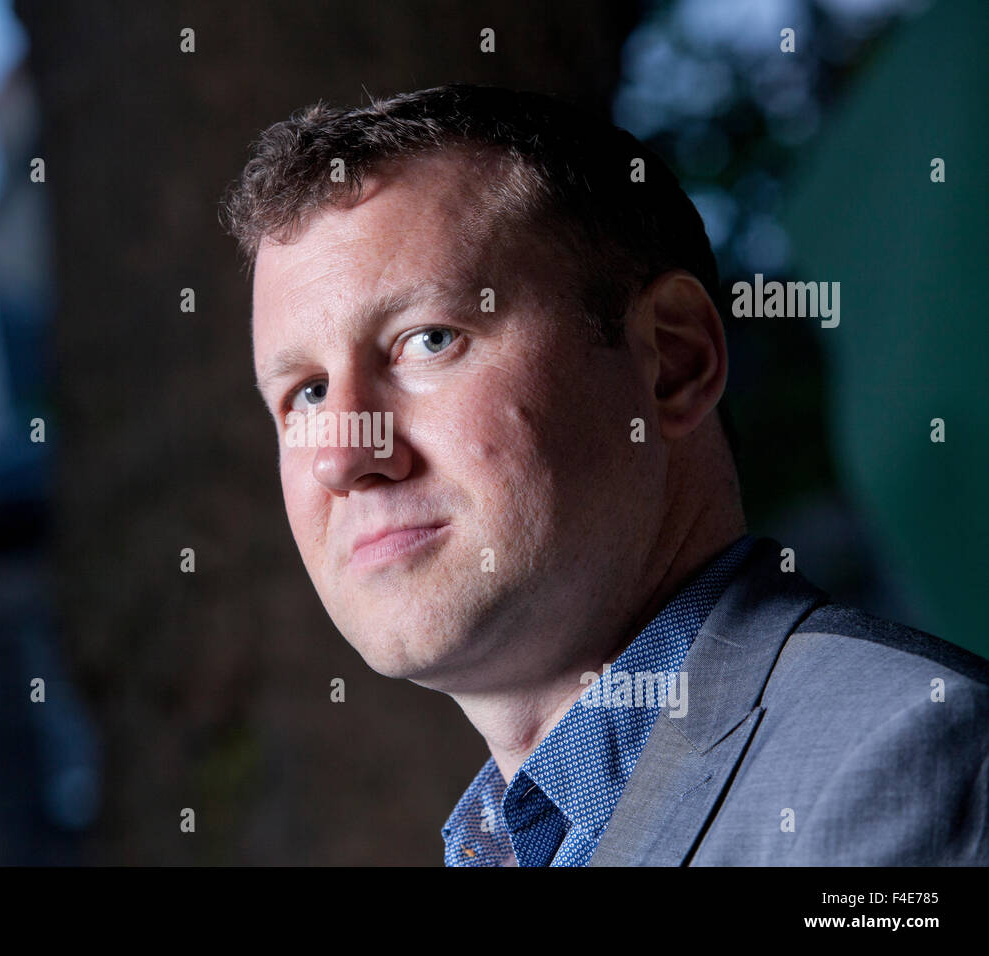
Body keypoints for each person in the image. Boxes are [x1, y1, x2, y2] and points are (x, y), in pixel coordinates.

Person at [219, 84, 989, 865]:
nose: (345, 456)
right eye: (306, 394)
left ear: (673, 362)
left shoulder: (903, 763)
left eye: (427, 340)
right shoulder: (512, 843)